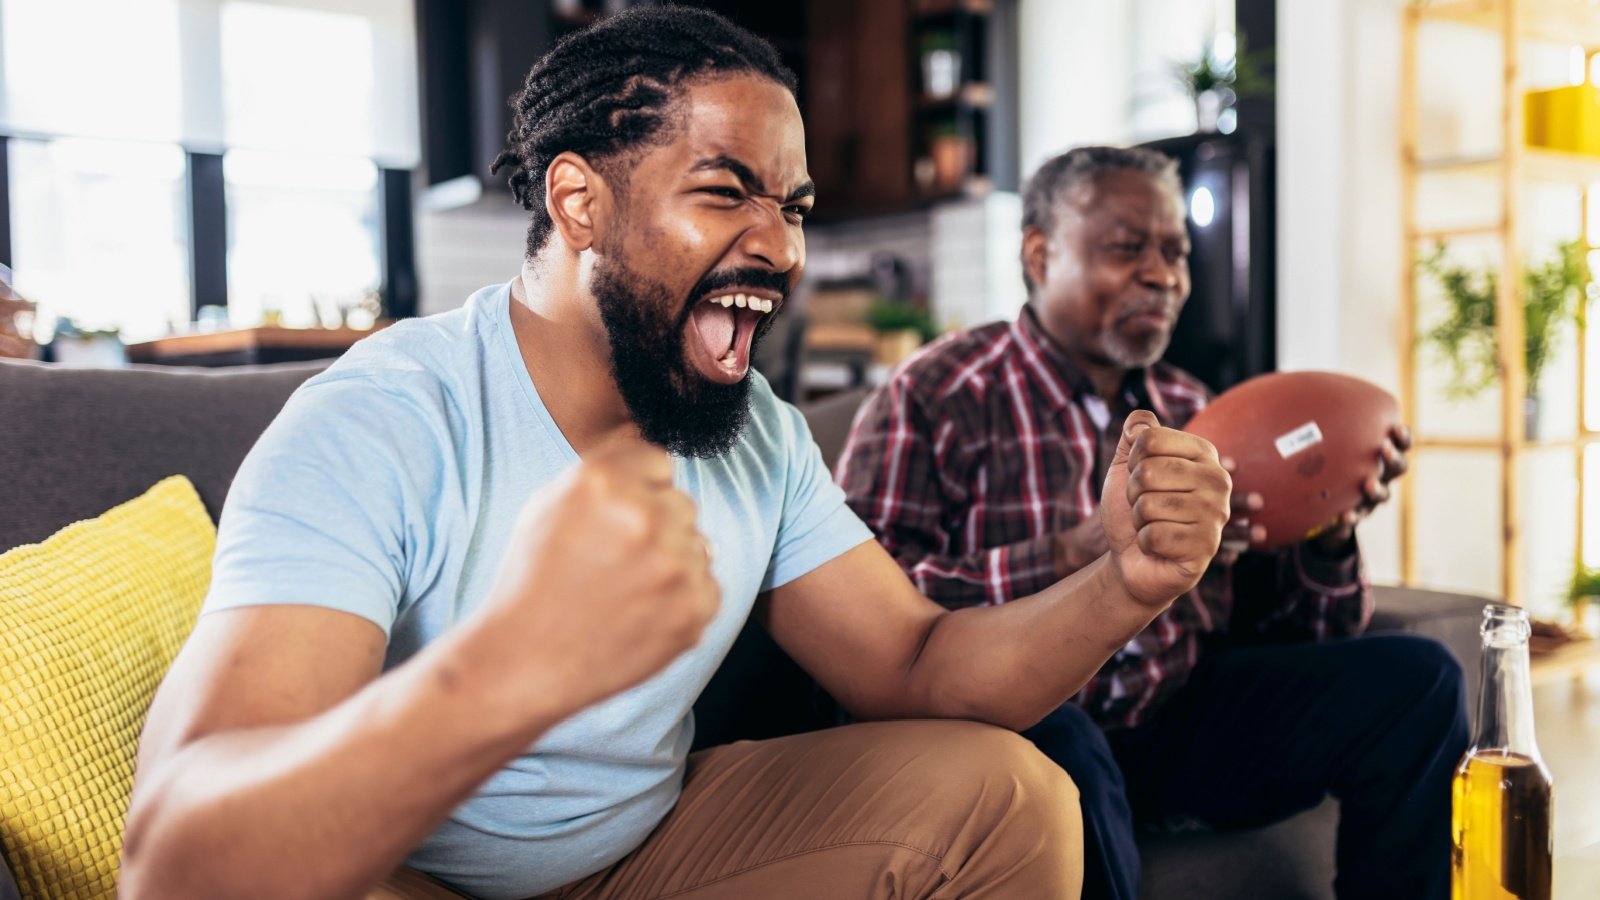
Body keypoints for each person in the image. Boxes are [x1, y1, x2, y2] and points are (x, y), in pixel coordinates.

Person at [120, 13, 1233, 900]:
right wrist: (503, 673)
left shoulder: (757, 433)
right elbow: (172, 867)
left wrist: (1123, 583)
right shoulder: (381, 420)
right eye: (725, 191)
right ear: (579, 201)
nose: (783, 246)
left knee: (1013, 793)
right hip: (402, 872)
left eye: (793, 207)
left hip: (646, 853)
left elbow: (917, 665)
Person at [836, 145, 1468, 900]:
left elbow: (1306, 638)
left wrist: (1327, 534)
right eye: (1126, 248)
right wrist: (1078, 554)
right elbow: (864, 609)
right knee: (1062, 743)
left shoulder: (1196, 406)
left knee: (1419, 679)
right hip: (1033, 720)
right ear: (1039, 254)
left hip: (1176, 717)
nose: (1163, 276)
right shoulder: (936, 394)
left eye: (1175, 253)